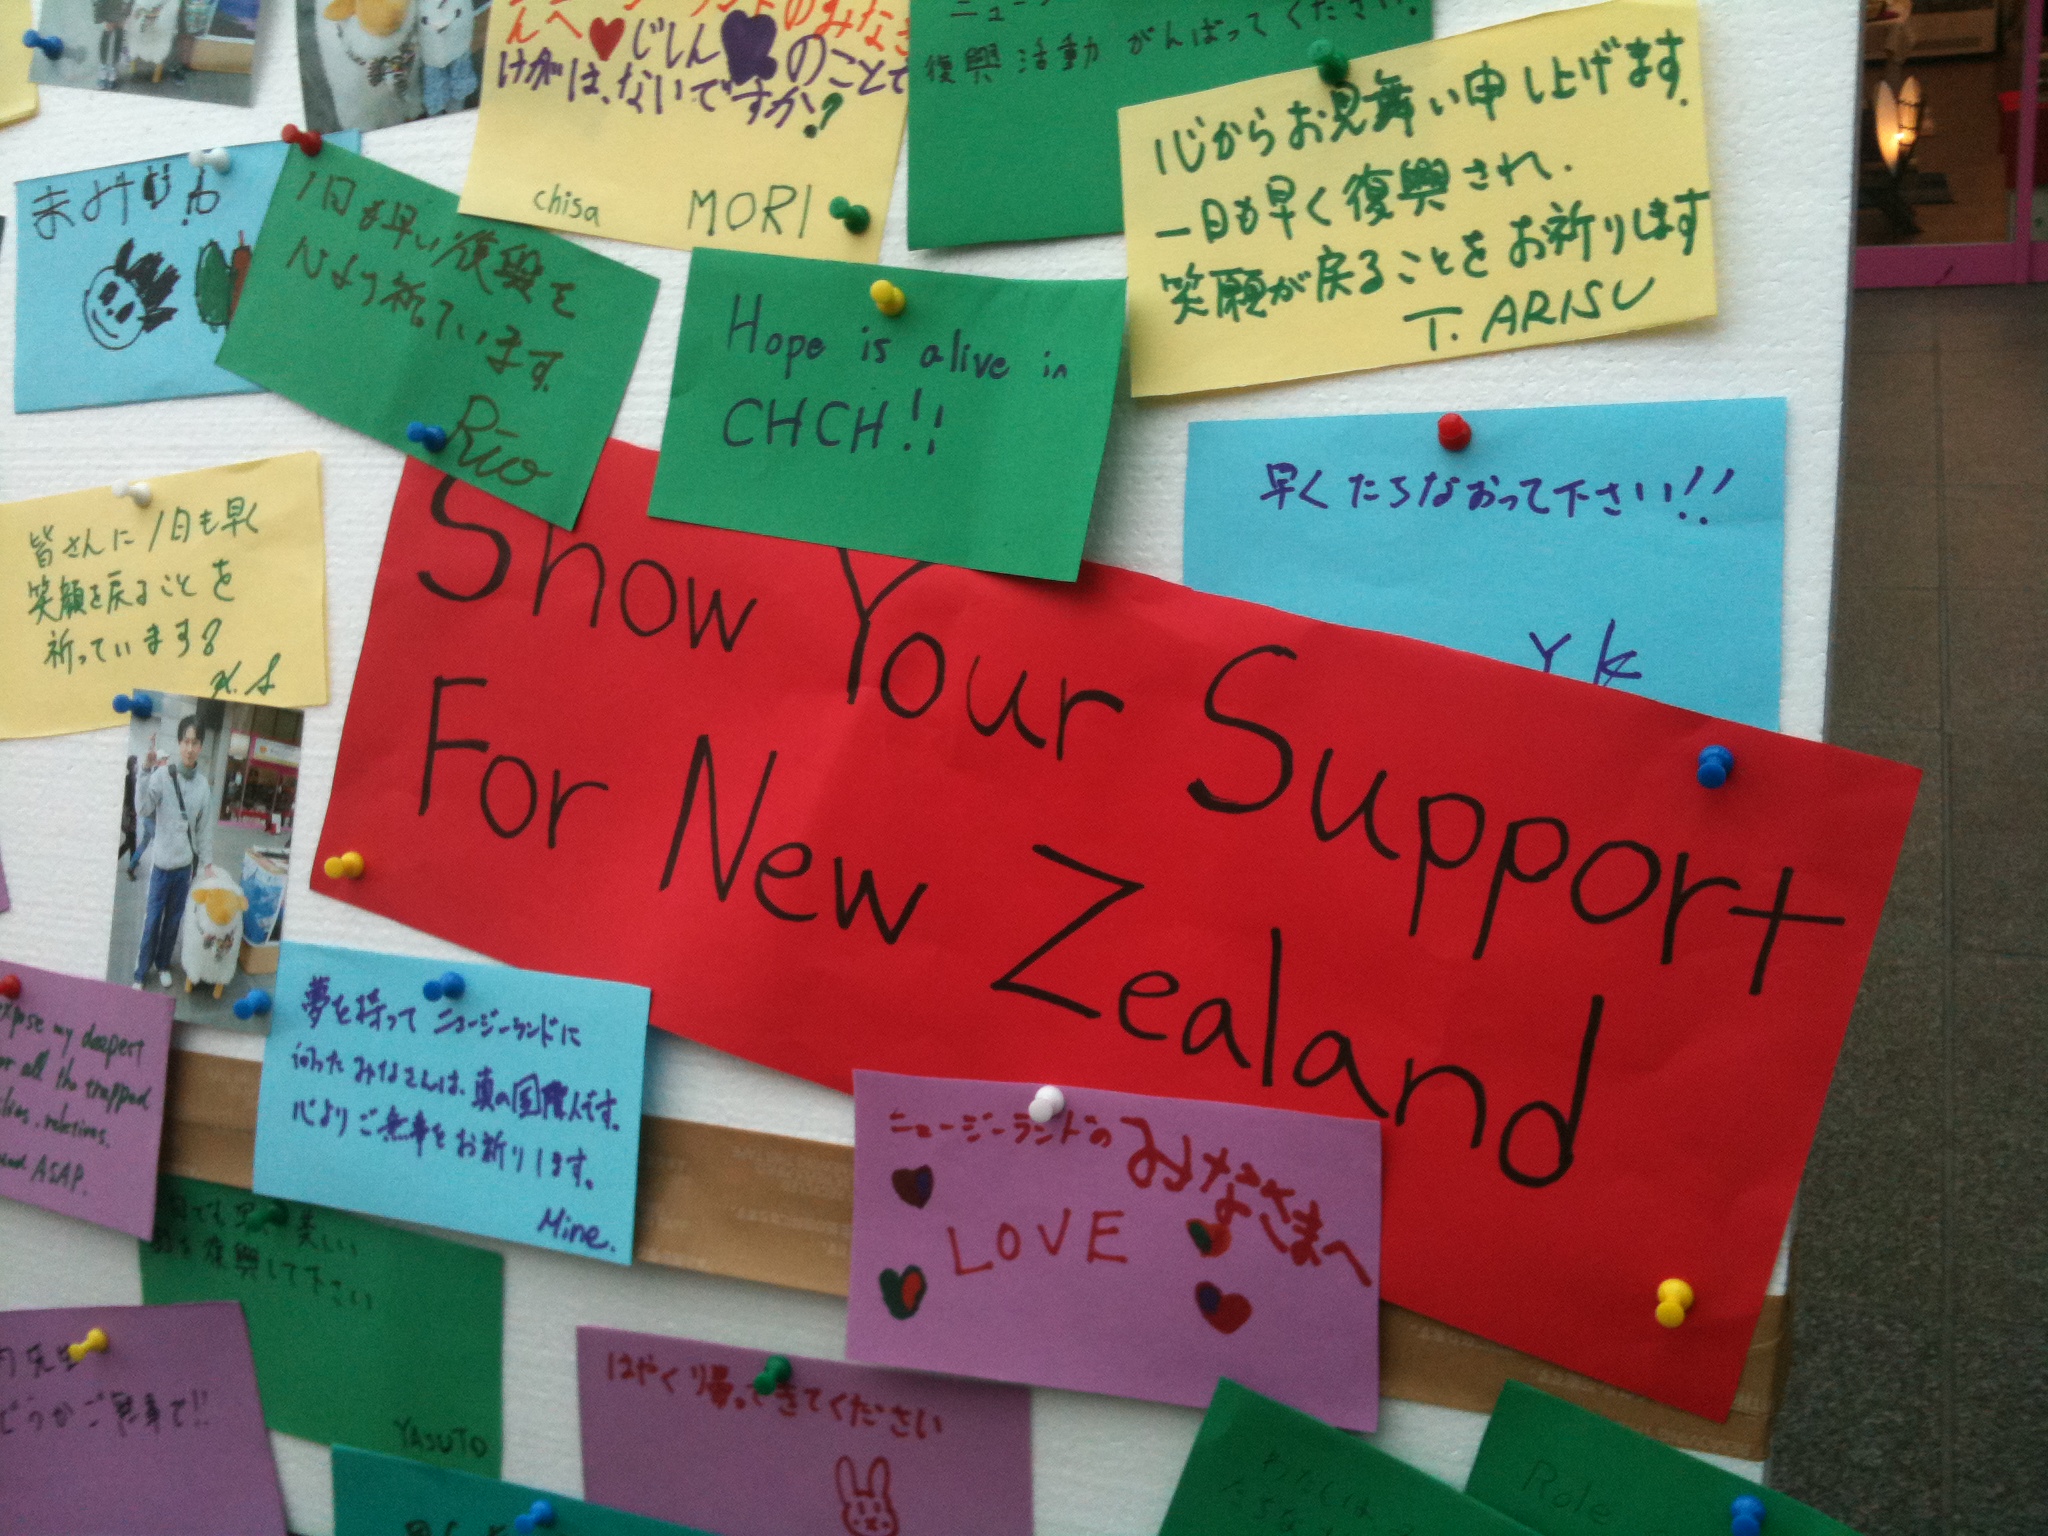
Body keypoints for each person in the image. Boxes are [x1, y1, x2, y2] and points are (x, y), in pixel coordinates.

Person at [132, 715, 214, 989]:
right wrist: (145, 770)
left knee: (173, 923)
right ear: (179, 743)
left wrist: (207, 864)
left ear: (201, 746)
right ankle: (141, 971)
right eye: (186, 741)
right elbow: (143, 808)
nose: (190, 748)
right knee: (152, 921)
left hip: (184, 869)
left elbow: (203, 830)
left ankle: (163, 964)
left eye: (195, 743)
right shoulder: (162, 776)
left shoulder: (203, 786)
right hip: (161, 866)